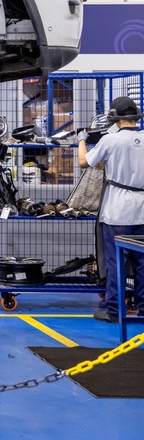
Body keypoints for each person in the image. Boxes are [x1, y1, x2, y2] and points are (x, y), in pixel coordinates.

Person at [78, 96, 144, 323]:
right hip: (142, 210)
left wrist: (81, 140)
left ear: (114, 117)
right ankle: (143, 308)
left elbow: (84, 162)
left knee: (116, 262)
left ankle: (114, 310)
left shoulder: (111, 140)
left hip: (118, 211)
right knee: (142, 263)